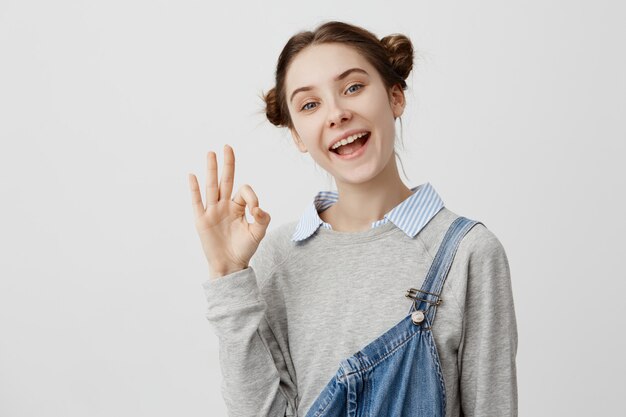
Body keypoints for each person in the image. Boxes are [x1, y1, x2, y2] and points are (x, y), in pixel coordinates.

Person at [188, 20, 518, 417]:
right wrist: (227, 273)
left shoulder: (468, 253)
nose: (337, 114)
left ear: (395, 97)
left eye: (353, 88)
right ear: (297, 136)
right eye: (310, 105)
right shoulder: (278, 256)